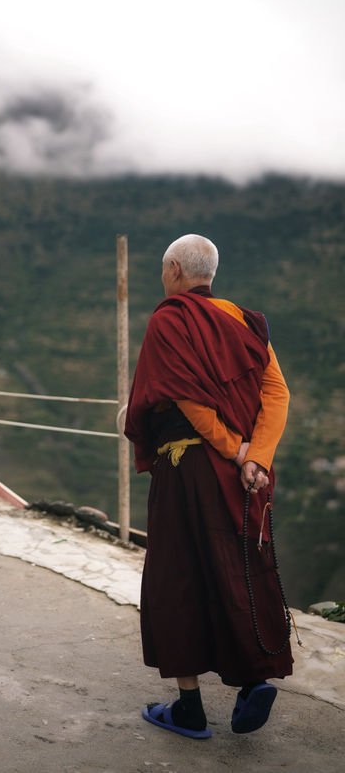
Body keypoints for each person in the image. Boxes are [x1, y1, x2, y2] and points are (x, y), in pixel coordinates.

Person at [124, 234, 293, 739]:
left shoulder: (168, 319)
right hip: (243, 479)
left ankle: (189, 710)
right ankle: (254, 682)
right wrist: (257, 456)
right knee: (241, 570)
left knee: (176, 579)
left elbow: (185, 397)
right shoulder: (246, 321)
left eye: (162, 269)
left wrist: (234, 447)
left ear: (174, 269)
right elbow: (276, 391)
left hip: (190, 468)